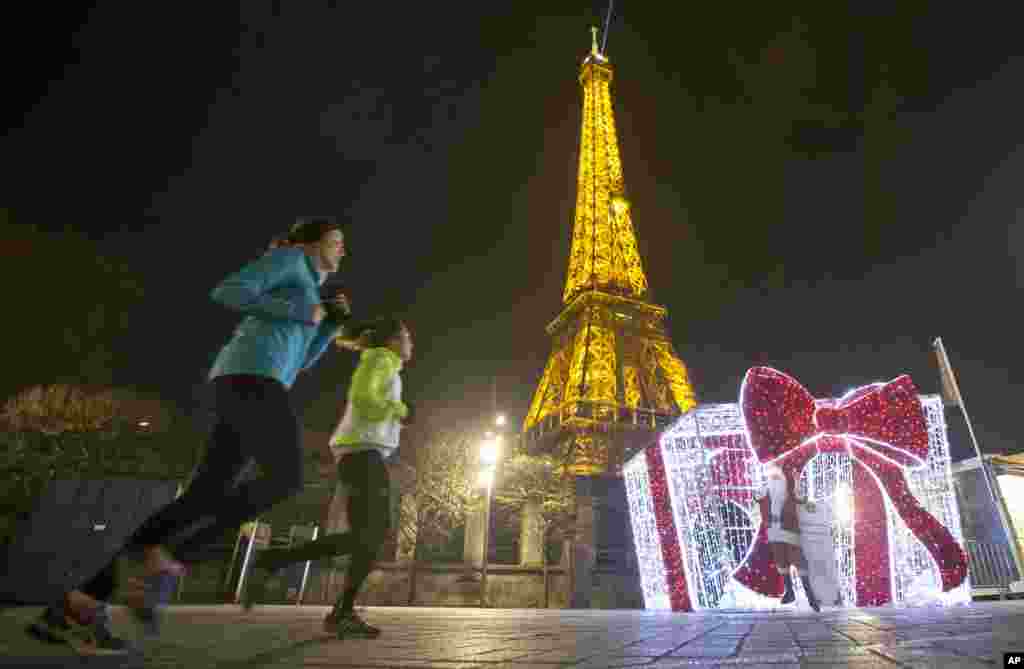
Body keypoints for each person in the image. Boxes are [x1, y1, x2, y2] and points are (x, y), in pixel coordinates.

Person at [48, 217, 352, 638]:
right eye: (336, 241)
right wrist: (303, 310)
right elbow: (229, 291)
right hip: (250, 378)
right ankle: (170, 556)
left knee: (203, 494)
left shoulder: (311, 290)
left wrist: (329, 325)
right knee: (285, 477)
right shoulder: (289, 261)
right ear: (311, 243)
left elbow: (300, 362)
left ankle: (82, 601)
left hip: (258, 382)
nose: (342, 249)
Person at [242, 317, 413, 639]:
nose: (410, 344)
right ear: (392, 341)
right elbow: (363, 398)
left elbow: (369, 402)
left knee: (365, 537)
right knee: (373, 534)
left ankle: (280, 564)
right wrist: (399, 410)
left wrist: (395, 413)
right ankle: (334, 607)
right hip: (363, 454)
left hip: (361, 454)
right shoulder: (380, 360)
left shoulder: (383, 363)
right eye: (407, 337)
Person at [759, 462, 821, 611]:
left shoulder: (790, 491)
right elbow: (758, 497)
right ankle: (790, 592)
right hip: (774, 532)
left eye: (777, 476)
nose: (774, 479)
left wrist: (797, 482)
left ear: (782, 477)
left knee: (799, 562)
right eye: (771, 477)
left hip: (790, 532)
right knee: (781, 563)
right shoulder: (765, 492)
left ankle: (810, 596)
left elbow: (801, 498)